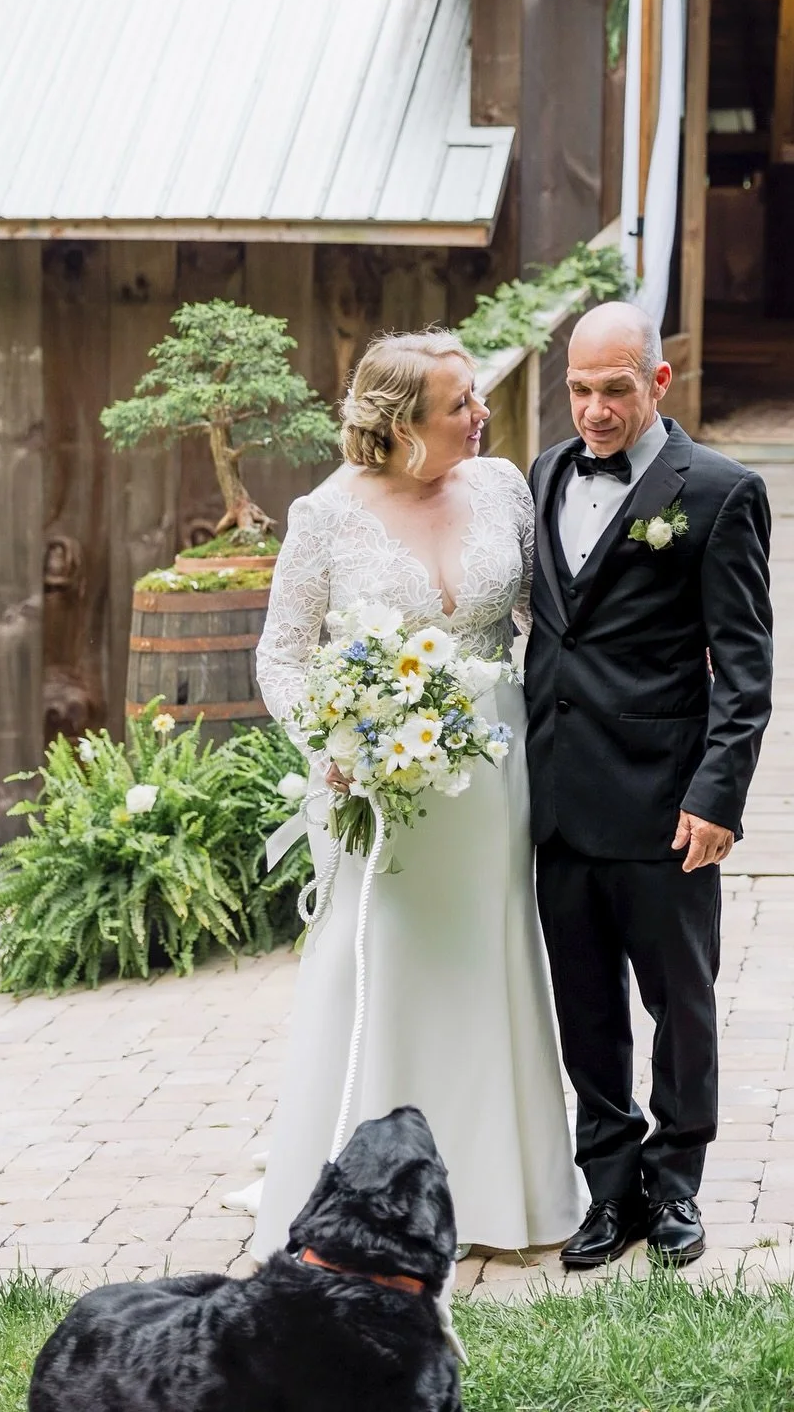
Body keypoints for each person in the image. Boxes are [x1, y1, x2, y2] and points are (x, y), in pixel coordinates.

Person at [246, 332, 582, 1259]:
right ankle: (370, 1196)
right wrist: (333, 743)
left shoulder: (503, 486)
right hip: (382, 785)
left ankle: (500, 1190)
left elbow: (539, 623)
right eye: (460, 404)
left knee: (491, 954)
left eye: (474, 397)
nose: (481, 414)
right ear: (401, 425)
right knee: (386, 959)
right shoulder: (324, 516)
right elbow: (280, 653)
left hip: (493, 772)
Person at [525, 303, 774, 1269]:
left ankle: (676, 1186)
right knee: (583, 1004)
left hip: (665, 802)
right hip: (557, 801)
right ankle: (609, 1184)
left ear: (658, 383)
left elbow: (745, 666)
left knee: (680, 1000)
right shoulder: (545, 472)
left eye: (614, 389)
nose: (593, 410)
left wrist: (718, 795)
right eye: (580, 390)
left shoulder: (717, 491)